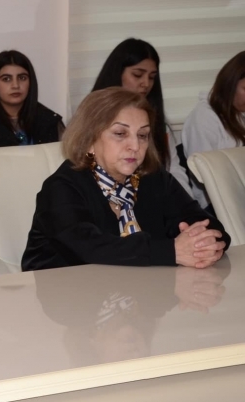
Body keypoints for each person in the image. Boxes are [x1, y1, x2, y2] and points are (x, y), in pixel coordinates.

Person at [22, 88, 228, 271]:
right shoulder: (61, 187)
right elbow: (91, 248)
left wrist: (205, 244)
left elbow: (206, 224)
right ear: (89, 140)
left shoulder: (154, 179)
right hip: (68, 294)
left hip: (144, 293)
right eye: (120, 133)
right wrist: (171, 251)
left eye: (142, 135)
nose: (135, 146)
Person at [91, 38, 193, 196]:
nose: (146, 83)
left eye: (151, 77)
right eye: (137, 75)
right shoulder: (93, 118)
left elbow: (173, 170)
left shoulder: (159, 123)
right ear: (117, 73)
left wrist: (185, 202)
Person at [182, 51, 245, 208]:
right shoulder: (204, 118)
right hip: (217, 204)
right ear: (230, 84)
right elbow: (206, 175)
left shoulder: (239, 113)